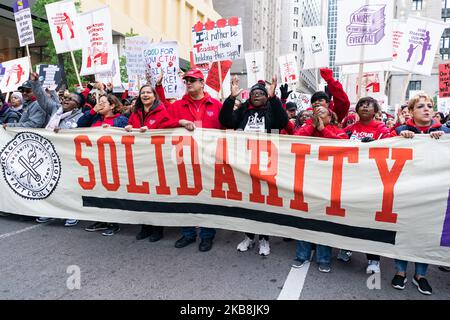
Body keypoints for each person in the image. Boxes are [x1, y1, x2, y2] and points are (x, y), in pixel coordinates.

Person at [220, 76, 288, 256]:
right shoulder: (243, 111)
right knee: (247, 203)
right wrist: (231, 98)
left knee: (264, 204)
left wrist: (275, 99)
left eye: (261, 93)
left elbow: (282, 123)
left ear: (266, 96)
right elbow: (226, 121)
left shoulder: (271, 111)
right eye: (253, 93)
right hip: (244, 165)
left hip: (266, 165)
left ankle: (264, 239)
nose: (257, 95)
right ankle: (249, 236)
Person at [156, 69, 223, 252]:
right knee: (185, 198)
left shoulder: (216, 105)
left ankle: (207, 235)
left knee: (208, 199)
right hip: (182, 159)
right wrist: (179, 122)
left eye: (192, 80)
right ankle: (188, 233)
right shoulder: (177, 106)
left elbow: (226, 129)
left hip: (208, 160)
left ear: (202, 83)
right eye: (186, 80)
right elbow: (161, 122)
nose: (189, 83)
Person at [391, 93, 449, 295]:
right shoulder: (399, 131)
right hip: (406, 192)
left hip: (434, 195)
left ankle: (420, 275)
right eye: (421, 106)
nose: (426, 109)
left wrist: (442, 141)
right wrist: (401, 139)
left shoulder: (445, 132)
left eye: (429, 106)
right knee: (405, 231)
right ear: (412, 112)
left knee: (426, 234)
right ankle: (400, 271)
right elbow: (384, 155)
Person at [125, 83, 195, 242]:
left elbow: (169, 124)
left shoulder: (161, 112)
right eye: (143, 93)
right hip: (138, 161)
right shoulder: (135, 113)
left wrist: (182, 122)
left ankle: (157, 229)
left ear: (155, 96)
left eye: (149, 92)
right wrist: (128, 128)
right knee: (141, 196)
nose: (145, 95)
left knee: (155, 196)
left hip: (156, 162)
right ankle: (145, 227)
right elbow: (128, 127)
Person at [24, 72, 85, 226]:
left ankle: (71, 212)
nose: (65, 99)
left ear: (77, 105)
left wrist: (64, 133)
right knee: (50, 183)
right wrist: (35, 83)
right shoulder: (55, 109)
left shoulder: (81, 117)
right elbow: (42, 97)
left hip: (68, 157)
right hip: (48, 154)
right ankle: (50, 211)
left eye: (71, 99)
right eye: (65, 97)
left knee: (68, 186)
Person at [293, 106, 348, 273]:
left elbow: (342, 145)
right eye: (315, 113)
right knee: (304, 219)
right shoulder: (306, 128)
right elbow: (296, 139)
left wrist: (322, 129)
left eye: (322, 112)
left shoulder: (337, 131)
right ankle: (302, 255)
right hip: (306, 180)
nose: (318, 114)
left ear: (330, 117)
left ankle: (323, 258)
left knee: (324, 222)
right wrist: (312, 125)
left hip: (328, 183)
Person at [342, 97, 391, 272]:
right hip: (351, 181)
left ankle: (373, 259)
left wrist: (377, 145)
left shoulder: (382, 130)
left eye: (369, 105)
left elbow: (392, 148)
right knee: (348, 217)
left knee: (369, 221)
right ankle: (346, 248)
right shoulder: (349, 129)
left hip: (372, 182)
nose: (364, 107)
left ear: (376, 110)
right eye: (361, 104)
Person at [78, 94, 129, 236]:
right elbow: (80, 125)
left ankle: (113, 222)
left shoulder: (121, 120)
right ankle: (101, 219)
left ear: (112, 105)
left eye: (103, 103)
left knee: (111, 192)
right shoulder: (94, 118)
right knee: (97, 192)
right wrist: (93, 110)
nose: (99, 105)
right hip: (95, 161)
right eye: (98, 103)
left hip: (112, 162)